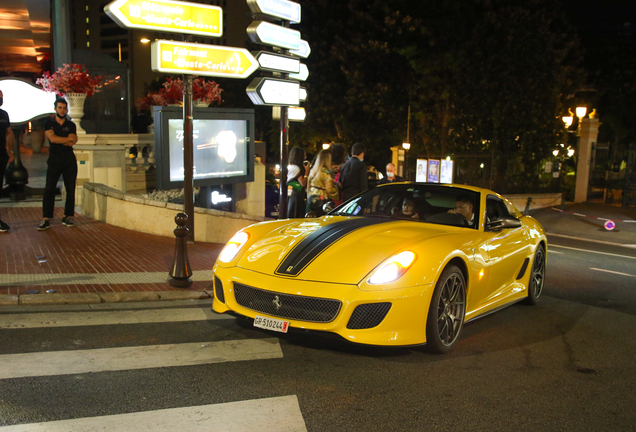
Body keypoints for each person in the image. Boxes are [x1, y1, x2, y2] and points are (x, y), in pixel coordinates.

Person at [38, 98, 79, 231]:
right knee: (49, 187)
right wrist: (66, 139)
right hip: (55, 158)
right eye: (60, 107)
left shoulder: (71, 124)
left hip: (69, 158)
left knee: (70, 187)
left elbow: (72, 141)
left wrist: (61, 140)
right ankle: (46, 218)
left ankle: (68, 216)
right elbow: (52, 138)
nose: (62, 110)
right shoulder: (48, 123)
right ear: (55, 108)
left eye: (64, 108)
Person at [306, 150, 339, 216]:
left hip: (311, 197)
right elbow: (329, 189)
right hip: (322, 199)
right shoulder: (325, 173)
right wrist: (337, 192)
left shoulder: (313, 171)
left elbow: (308, 185)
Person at [0, 89, 14, 232]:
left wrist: (10, 151)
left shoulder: (4, 114)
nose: (1, 98)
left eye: (1, 96)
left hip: (2, 155)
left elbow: (9, 133)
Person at [287, 146, 309, 218]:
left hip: (294, 196)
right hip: (298, 198)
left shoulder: (293, 167)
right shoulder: (298, 168)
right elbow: (302, 183)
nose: (305, 156)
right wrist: (307, 172)